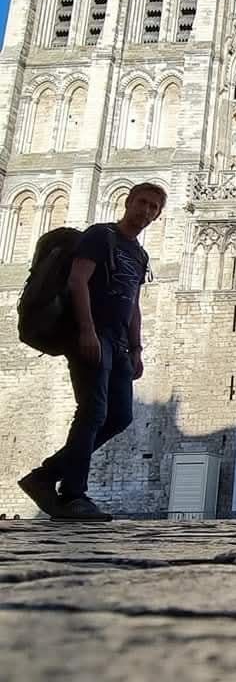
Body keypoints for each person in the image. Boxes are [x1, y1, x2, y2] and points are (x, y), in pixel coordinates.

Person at [18, 183, 166, 521]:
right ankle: (73, 495)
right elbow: (78, 281)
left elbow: (134, 302)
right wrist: (86, 330)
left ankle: (43, 477)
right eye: (142, 202)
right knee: (93, 411)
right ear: (127, 202)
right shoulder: (101, 236)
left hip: (119, 342)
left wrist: (137, 347)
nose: (146, 210)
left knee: (120, 416)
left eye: (154, 207)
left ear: (158, 215)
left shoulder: (139, 254)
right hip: (92, 335)